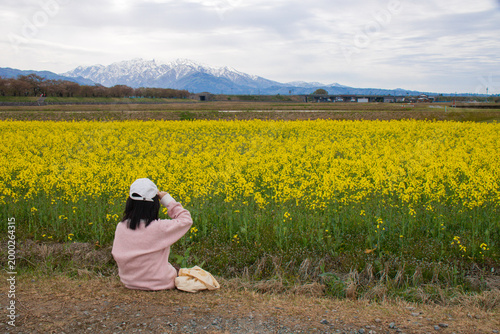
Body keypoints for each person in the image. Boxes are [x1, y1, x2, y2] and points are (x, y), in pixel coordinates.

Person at [112, 178, 193, 290]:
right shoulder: (159, 228)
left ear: (130, 203)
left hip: (129, 282)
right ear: (154, 204)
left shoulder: (121, 227)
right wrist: (167, 200)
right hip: (160, 283)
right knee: (177, 270)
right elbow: (186, 220)